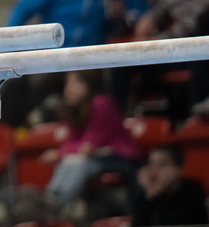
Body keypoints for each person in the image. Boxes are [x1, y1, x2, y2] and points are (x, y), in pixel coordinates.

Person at [3, 0, 146, 126]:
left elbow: (144, 14)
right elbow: (22, 11)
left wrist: (125, 16)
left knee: (107, 82)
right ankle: (12, 133)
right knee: (16, 86)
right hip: (52, 57)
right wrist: (11, 48)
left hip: (90, 63)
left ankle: (109, 128)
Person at [39, 70, 144, 220]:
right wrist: (63, 154)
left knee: (80, 162)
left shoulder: (102, 103)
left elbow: (88, 146)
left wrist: (59, 153)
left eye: (76, 83)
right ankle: (50, 198)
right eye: (68, 83)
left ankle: (56, 204)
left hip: (121, 159)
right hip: (96, 158)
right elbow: (72, 143)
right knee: (71, 160)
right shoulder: (74, 110)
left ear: (89, 85)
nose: (70, 88)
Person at [133, 144, 208, 227]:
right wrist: (149, 196)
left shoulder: (193, 191)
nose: (154, 170)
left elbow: (175, 223)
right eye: (151, 164)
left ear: (179, 168)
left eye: (162, 165)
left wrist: (158, 192)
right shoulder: (149, 193)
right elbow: (138, 224)